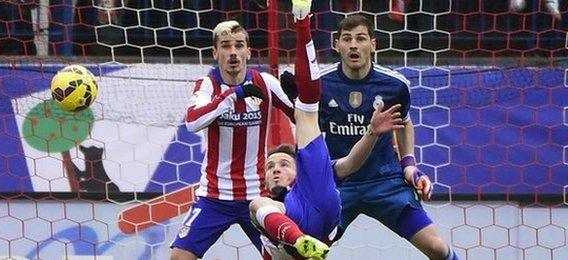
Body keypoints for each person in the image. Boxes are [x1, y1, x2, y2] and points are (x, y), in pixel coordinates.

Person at [280, 14, 459, 260]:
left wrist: (409, 166)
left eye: (361, 38)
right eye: (347, 39)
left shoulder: (395, 85)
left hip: (384, 182)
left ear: (373, 44)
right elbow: (305, 126)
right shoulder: (320, 83)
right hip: (337, 184)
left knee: (438, 248)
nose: (354, 45)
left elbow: (404, 123)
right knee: (302, 252)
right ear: (337, 45)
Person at [248, 1, 404, 259]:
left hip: (314, 199)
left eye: (285, 164)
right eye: (270, 166)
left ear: (297, 168)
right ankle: (303, 244)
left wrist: (372, 133)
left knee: (307, 113)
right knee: (261, 206)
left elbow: (351, 163)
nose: (276, 169)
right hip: (301, 225)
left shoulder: (313, 174)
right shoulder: (275, 210)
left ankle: (302, 22)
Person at [170, 20, 295, 260]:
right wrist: (233, 94)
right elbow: (193, 122)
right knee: (179, 258)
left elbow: (301, 118)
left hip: (258, 196)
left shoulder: (265, 82)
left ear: (248, 51)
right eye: (226, 46)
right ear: (216, 52)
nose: (233, 52)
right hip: (214, 196)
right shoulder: (207, 85)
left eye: (239, 45)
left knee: (287, 258)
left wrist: (301, 98)